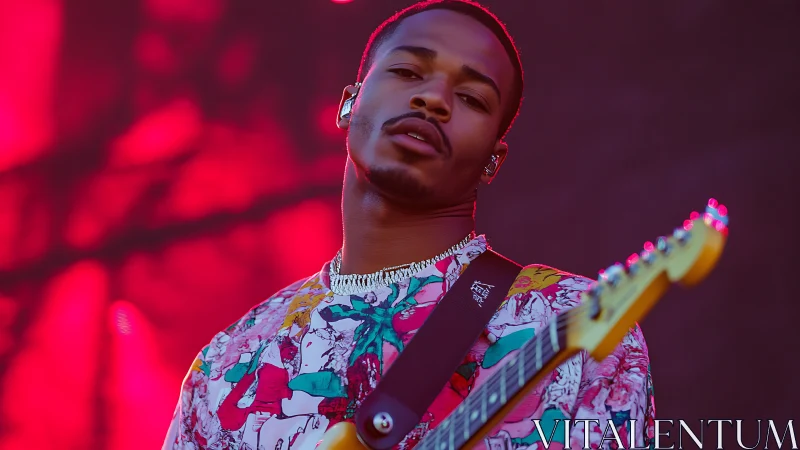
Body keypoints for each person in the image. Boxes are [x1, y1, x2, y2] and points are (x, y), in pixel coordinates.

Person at [163, 1, 656, 448]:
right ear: (348, 103)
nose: (435, 98)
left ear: (493, 159)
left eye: (473, 99)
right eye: (405, 71)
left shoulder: (572, 323)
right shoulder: (228, 364)